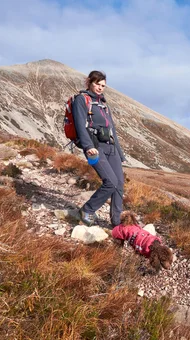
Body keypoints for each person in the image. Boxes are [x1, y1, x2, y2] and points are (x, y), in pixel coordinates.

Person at [73, 70, 126, 227]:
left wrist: (120, 153)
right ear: (89, 82)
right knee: (110, 182)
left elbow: (112, 130)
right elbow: (80, 125)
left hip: (111, 148)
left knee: (119, 184)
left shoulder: (104, 104)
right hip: (95, 147)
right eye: (97, 84)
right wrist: (88, 146)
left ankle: (117, 222)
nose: (100, 87)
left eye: (103, 85)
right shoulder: (81, 100)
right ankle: (87, 210)